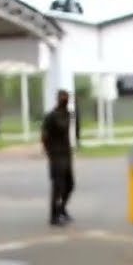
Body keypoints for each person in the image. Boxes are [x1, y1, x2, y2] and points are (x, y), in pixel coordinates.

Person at [41, 89, 75, 226]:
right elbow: (44, 136)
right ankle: (53, 216)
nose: (65, 101)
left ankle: (61, 209)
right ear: (58, 99)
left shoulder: (68, 114)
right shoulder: (51, 116)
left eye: (67, 98)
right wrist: (49, 153)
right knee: (57, 187)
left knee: (70, 185)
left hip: (66, 154)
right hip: (56, 156)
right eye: (63, 98)